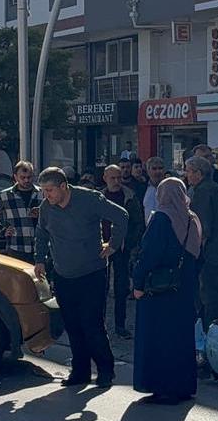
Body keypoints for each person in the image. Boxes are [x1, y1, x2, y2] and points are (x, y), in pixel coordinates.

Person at [34, 167, 129, 388]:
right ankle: (80, 371)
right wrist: (39, 259)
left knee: (92, 323)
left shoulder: (89, 199)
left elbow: (121, 216)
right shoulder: (47, 207)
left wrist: (113, 245)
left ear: (63, 187)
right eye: (44, 191)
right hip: (63, 273)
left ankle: (106, 370)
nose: (47, 196)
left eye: (50, 190)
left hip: (91, 273)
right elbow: (41, 233)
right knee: (73, 325)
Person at [131, 178, 202, 404]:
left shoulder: (162, 218)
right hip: (184, 287)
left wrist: (138, 283)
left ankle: (161, 386)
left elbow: (149, 254)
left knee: (159, 337)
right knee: (181, 337)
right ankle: (183, 385)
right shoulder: (191, 218)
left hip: (159, 289)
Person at [185, 156, 218, 330]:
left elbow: (202, 227)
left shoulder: (204, 191)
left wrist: (194, 251)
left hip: (212, 252)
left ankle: (212, 333)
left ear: (198, 173)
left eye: (189, 171)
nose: (187, 175)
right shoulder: (216, 188)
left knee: (210, 296)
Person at [101, 165, 145, 339]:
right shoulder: (98, 197)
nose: (117, 181)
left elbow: (138, 223)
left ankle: (120, 325)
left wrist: (131, 243)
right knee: (100, 288)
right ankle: (101, 324)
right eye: (113, 178)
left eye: (119, 177)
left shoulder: (129, 196)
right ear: (105, 178)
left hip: (122, 248)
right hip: (101, 248)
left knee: (121, 288)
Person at [0, 161, 42, 263]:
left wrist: (42, 214)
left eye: (29, 177)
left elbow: (55, 215)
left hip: (40, 246)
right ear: (15, 177)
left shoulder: (42, 193)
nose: (26, 180)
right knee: (17, 278)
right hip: (16, 246)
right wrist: (1, 231)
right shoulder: (5, 195)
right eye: (23, 177)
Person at [143, 156, 166, 222]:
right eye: (154, 169)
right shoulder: (142, 188)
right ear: (148, 170)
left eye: (160, 168)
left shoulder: (169, 188)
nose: (158, 171)